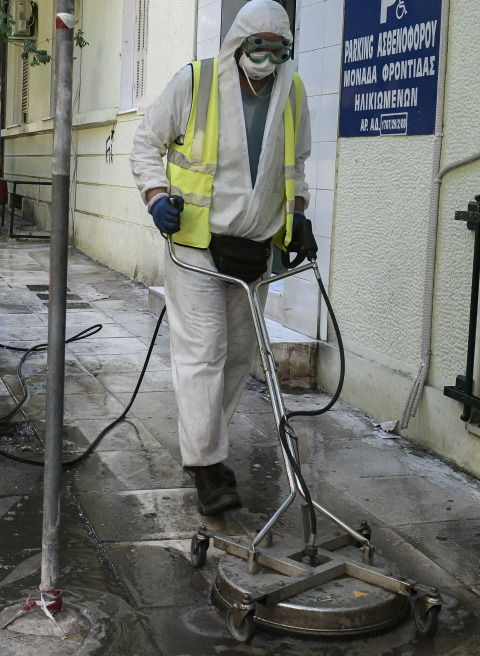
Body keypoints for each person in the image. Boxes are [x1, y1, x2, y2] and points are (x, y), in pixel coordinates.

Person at [130, 0, 315, 516]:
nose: (267, 59)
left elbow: (296, 164)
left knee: (237, 357)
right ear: (239, 43)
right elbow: (146, 143)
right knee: (204, 351)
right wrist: (154, 195)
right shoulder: (197, 81)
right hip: (196, 245)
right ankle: (206, 466)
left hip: (254, 248)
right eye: (259, 48)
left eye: (278, 50)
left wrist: (298, 215)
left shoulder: (293, 92)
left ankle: (209, 446)